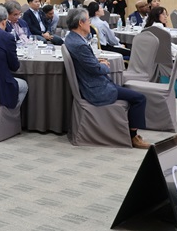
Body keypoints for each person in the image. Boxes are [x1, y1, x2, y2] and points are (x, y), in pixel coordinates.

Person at [64, 8, 149, 149]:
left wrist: (97, 62)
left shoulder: (71, 38)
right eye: (88, 20)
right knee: (140, 98)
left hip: (92, 83)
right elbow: (97, 70)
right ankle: (133, 136)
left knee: (128, 90)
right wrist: (104, 66)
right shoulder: (79, 45)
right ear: (80, 23)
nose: (90, 23)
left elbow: (86, 63)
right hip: (96, 89)